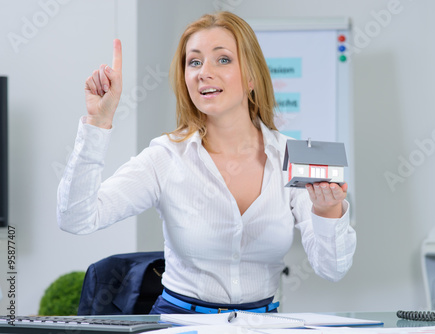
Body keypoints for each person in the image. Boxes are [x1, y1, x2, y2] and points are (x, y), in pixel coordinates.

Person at [57, 11, 356, 314]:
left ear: (251, 77)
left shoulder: (290, 156)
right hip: (179, 324)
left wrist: (326, 211)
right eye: (194, 62)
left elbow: (333, 269)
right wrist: (98, 122)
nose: (204, 72)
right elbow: (76, 218)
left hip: (264, 324)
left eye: (222, 59)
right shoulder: (166, 156)